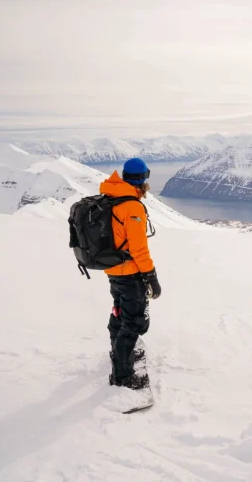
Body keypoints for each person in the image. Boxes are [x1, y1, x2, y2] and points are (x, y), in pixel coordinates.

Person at [101, 157, 161, 390]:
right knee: (134, 322)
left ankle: (118, 354)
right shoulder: (132, 206)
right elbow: (138, 248)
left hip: (113, 269)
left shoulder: (111, 197)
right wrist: (151, 277)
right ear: (143, 179)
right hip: (129, 272)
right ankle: (123, 377)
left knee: (119, 311)